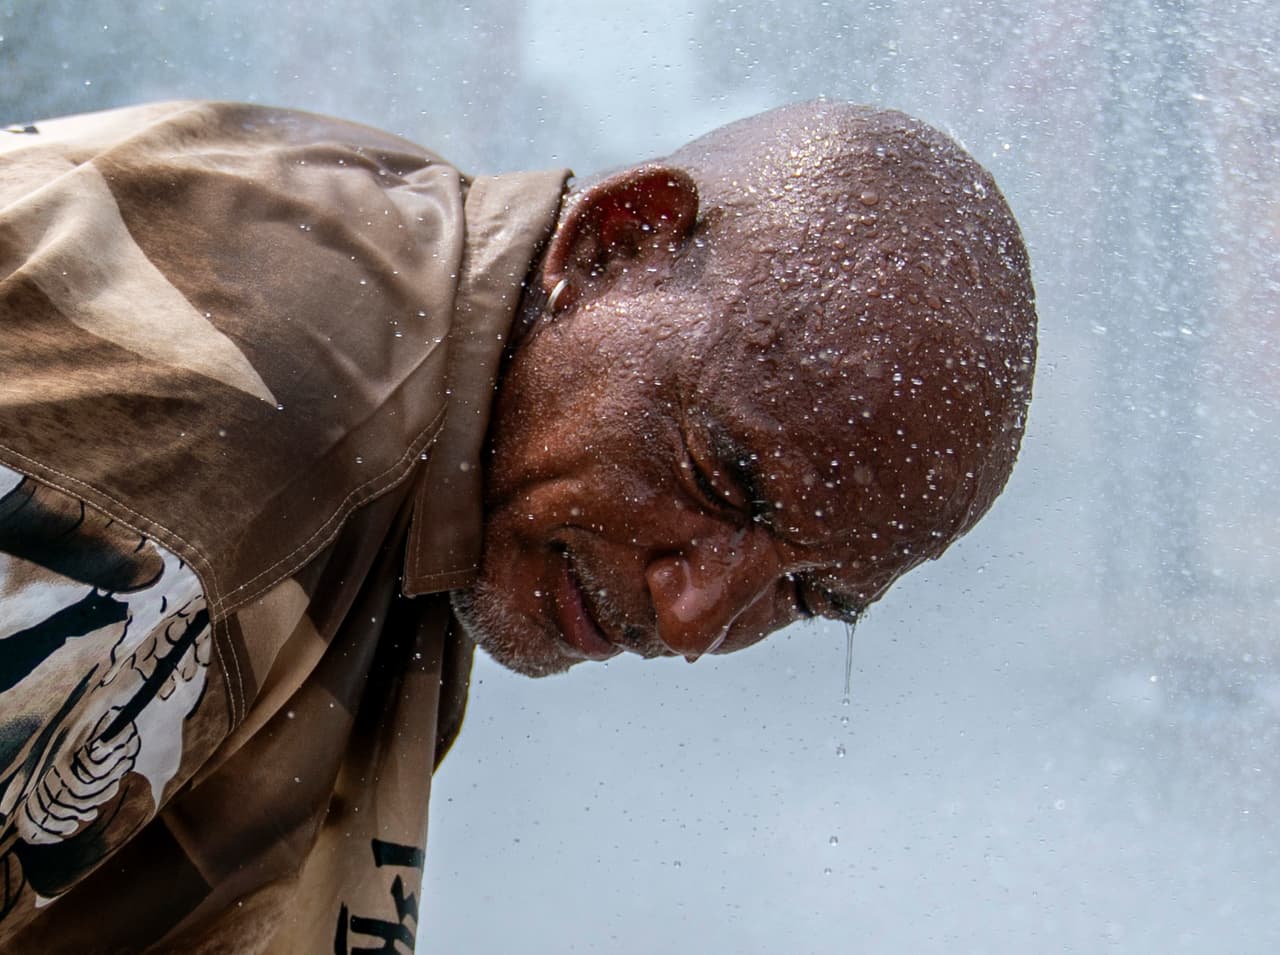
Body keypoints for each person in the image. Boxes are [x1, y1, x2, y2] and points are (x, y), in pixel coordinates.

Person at [0, 98, 1035, 952]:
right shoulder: (254, 448)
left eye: (803, 594)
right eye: (720, 477)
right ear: (615, 241)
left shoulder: (425, 340)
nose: (690, 620)